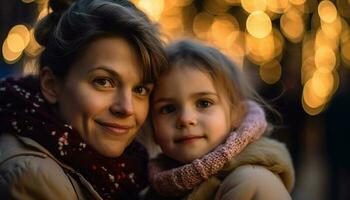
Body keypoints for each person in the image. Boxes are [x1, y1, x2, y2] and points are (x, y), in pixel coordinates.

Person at [0, 0, 167, 199]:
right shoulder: (31, 179)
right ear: (51, 85)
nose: (127, 108)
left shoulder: (129, 171)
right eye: (103, 82)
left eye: (140, 89)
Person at [143, 40, 295, 200]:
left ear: (236, 114)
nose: (186, 119)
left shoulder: (252, 182)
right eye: (168, 109)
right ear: (153, 126)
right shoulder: (156, 188)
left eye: (204, 103)